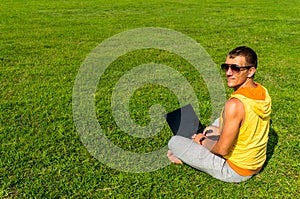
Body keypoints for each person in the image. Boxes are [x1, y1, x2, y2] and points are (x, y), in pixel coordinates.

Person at [167, 46, 272, 183]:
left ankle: (188, 151)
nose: (228, 73)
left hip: (235, 170)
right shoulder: (261, 91)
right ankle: (200, 141)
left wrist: (201, 140)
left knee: (174, 142)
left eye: (235, 68)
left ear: (251, 71)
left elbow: (222, 150)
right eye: (226, 67)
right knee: (217, 122)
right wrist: (217, 130)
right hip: (255, 162)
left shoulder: (235, 105)